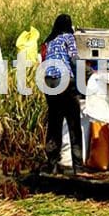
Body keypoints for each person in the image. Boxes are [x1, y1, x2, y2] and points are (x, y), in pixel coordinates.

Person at [41, 14, 84, 175]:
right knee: (74, 124)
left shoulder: (50, 40)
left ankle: (52, 165)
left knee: (54, 123)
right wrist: (87, 77)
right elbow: (74, 60)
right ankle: (78, 168)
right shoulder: (68, 37)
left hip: (47, 81)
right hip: (63, 80)